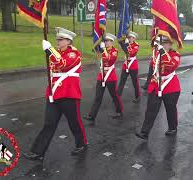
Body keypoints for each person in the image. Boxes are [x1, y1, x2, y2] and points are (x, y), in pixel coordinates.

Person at [24, 27, 88, 161]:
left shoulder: (73, 54)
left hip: (69, 94)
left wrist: (49, 50)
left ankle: (82, 144)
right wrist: (51, 51)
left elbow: (62, 65)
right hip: (54, 93)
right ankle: (38, 152)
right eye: (57, 39)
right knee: (49, 124)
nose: (58, 41)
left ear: (69, 41)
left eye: (61, 39)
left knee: (74, 123)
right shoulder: (57, 52)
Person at [135, 35, 181, 140]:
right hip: (156, 85)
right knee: (151, 109)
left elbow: (171, 66)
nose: (162, 45)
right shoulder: (156, 54)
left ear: (170, 44)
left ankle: (173, 128)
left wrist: (162, 52)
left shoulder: (175, 55)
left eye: (165, 43)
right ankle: (144, 132)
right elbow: (153, 66)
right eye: (161, 43)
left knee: (170, 109)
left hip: (170, 86)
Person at [84, 33, 123, 122]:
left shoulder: (114, 51)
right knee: (98, 97)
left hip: (110, 77)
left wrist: (103, 50)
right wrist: (98, 46)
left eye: (109, 41)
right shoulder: (103, 50)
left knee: (114, 96)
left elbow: (109, 59)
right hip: (101, 75)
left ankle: (119, 111)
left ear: (112, 42)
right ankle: (92, 115)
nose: (107, 43)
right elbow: (96, 53)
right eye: (106, 41)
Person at [117, 31, 141, 103]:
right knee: (122, 81)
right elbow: (124, 49)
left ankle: (137, 96)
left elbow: (131, 53)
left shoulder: (136, 45)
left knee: (135, 82)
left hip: (133, 65)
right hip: (126, 64)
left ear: (134, 38)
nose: (130, 38)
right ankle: (117, 96)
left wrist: (127, 44)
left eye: (131, 37)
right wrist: (121, 41)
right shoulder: (126, 43)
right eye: (129, 37)